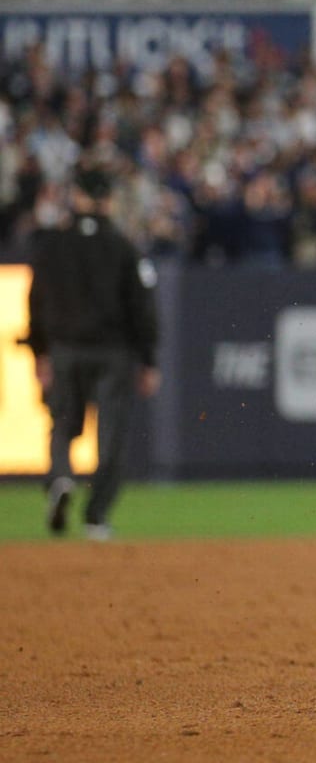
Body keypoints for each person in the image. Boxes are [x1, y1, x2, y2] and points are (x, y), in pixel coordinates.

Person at [25, 165, 161, 540]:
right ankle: (96, 517)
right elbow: (141, 307)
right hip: (113, 353)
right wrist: (148, 358)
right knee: (111, 434)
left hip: (66, 348)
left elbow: (35, 301)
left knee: (63, 425)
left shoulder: (53, 244)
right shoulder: (122, 246)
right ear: (108, 200)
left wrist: (40, 351)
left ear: (78, 196)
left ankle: (60, 478)